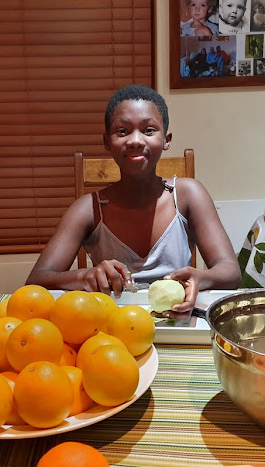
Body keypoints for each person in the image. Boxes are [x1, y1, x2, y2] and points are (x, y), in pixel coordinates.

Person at [26, 85, 241, 318]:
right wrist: (85, 276)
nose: (136, 140)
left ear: (166, 139)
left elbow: (230, 272)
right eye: (122, 131)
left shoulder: (188, 195)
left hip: (177, 321)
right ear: (107, 142)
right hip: (113, 325)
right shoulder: (88, 209)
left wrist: (200, 277)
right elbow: (36, 282)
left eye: (149, 130)